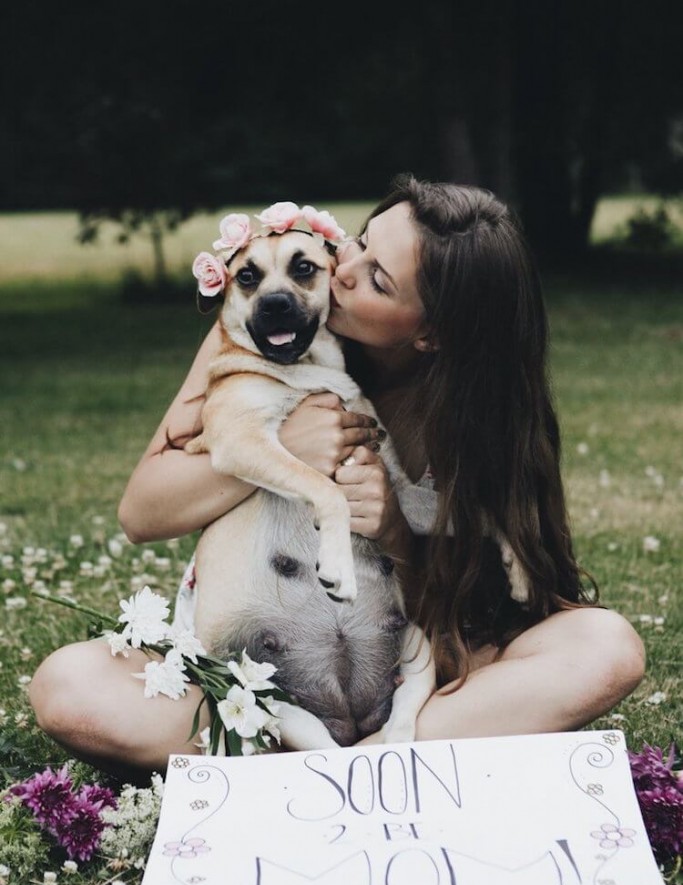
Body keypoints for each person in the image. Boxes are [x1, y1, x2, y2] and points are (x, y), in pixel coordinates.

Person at [29, 174, 645, 780]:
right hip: (257, 681)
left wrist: (398, 533)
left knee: (605, 646)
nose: (341, 270)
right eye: (358, 242)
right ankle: (334, 757)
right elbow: (142, 513)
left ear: (430, 332)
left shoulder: (479, 417)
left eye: (378, 278)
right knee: (69, 684)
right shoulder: (262, 331)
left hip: (405, 660)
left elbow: (476, 606)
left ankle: (356, 760)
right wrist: (291, 449)